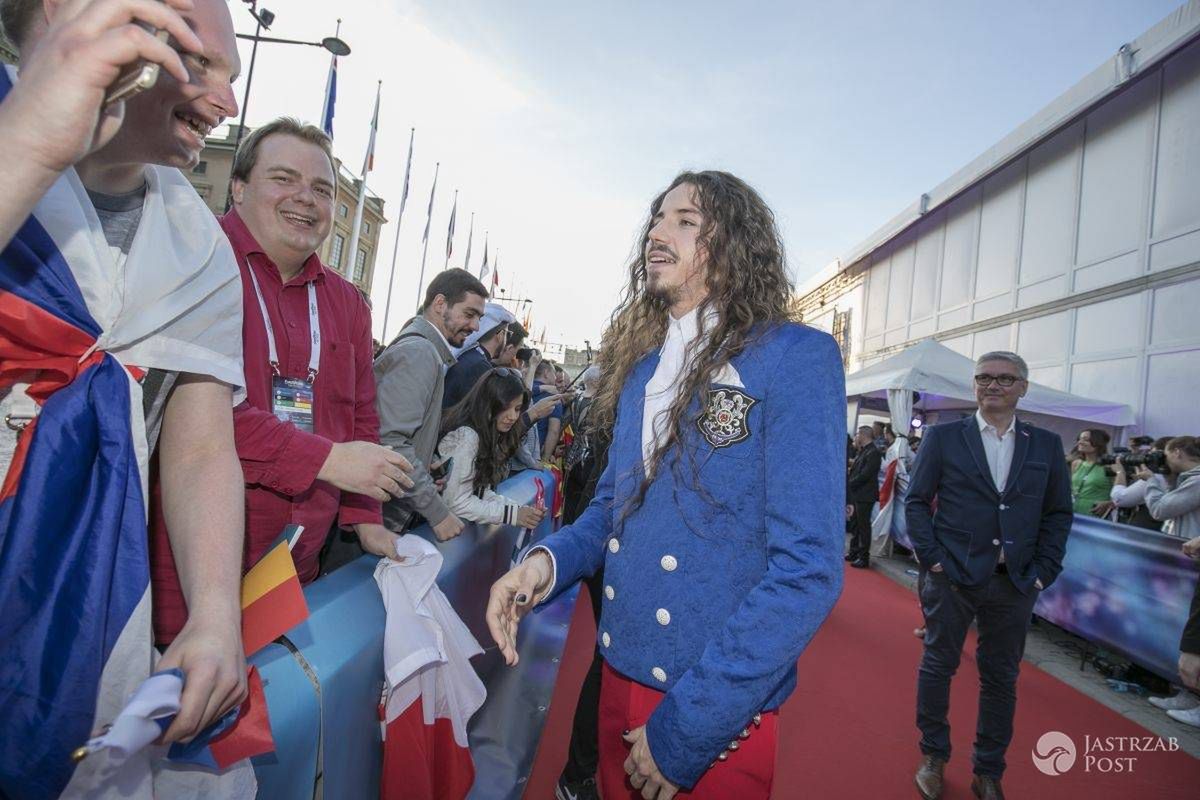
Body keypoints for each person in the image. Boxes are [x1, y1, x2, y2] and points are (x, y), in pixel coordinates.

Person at [486, 170, 845, 799]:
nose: (657, 232)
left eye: (685, 221)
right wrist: (541, 566)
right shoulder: (643, 371)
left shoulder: (794, 357)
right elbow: (607, 514)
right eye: (657, 218)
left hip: (709, 704)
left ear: (734, 244)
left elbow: (807, 569)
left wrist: (687, 730)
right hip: (618, 675)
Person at [0, 0, 256, 794]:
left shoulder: (197, 243)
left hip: (83, 598)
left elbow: (203, 441)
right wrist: (32, 145)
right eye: (202, 63)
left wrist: (216, 614)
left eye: (231, 76)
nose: (227, 103)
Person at [150, 119, 415, 642]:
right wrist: (328, 461)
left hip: (296, 570)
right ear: (239, 186)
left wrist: (365, 516)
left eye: (322, 189)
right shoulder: (191, 261)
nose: (306, 199)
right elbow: (193, 416)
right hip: (182, 578)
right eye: (284, 179)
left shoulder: (347, 302)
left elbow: (360, 413)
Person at [906, 351, 1073, 800]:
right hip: (953, 577)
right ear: (974, 384)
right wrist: (933, 559)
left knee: (1001, 678)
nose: (993, 385)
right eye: (984, 378)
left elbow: (1058, 513)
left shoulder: (1046, 445)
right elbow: (917, 502)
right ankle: (934, 756)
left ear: (1023, 387)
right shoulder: (944, 438)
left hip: (1015, 581)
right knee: (938, 666)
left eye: (1004, 378)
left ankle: (988, 770)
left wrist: (1044, 571)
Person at [375, 269, 487, 541]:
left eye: (479, 318)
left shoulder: (425, 350)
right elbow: (391, 442)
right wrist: (437, 512)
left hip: (382, 508)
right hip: (376, 515)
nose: (475, 327)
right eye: (469, 314)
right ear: (440, 304)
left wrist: (427, 462)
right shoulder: (420, 352)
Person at [437, 368, 547, 529]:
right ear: (489, 403)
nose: (513, 416)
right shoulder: (467, 436)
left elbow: (477, 491)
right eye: (505, 407)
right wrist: (514, 515)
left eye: (517, 409)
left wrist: (520, 511)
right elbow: (456, 502)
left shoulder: (484, 432)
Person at [1141, 436, 1200, 727]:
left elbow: (1160, 509)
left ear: (1177, 452)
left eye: (1165, 454)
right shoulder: (1189, 479)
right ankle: (1187, 692)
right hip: (1187, 564)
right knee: (1186, 630)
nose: (1165, 460)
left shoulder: (1197, 480)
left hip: (1193, 563)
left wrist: (1151, 480)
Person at [443, 301, 515, 409]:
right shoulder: (479, 366)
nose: (507, 340)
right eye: (507, 334)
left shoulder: (471, 357)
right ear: (500, 335)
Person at [846, 425, 882, 568]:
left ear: (863, 435)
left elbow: (865, 475)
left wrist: (849, 484)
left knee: (863, 526)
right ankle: (854, 551)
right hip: (858, 493)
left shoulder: (873, 452)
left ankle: (863, 556)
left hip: (865, 495)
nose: (856, 437)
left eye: (858, 434)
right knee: (855, 525)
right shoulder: (865, 451)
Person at [1070, 428, 1115, 516]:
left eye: (1085, 440)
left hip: (1094, 513)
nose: (1080, 442)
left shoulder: (1109, 466)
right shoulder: (1076, 463)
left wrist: (1109, 503)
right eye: (1079, 439)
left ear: (1098, 443)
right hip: (1073, 511)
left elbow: (1120, 494)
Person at [532, 360, 564, 462]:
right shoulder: (553, 397)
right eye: (554, 374)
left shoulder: (523, 387)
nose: (555, 378)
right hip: (535, 454)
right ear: (546, 373)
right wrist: (545, 459)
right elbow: (553, 431)